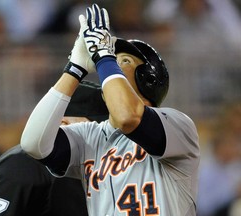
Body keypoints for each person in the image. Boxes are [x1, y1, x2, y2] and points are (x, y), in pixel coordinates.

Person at [21, 4, 200, 216]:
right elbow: (33, 143)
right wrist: (75, 68)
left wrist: (104, 56)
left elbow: (128, 117)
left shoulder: (178, 125)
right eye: (112, 59)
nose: (110, 65)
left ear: (148, 78)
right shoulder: (91, 135)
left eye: (123, 60)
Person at [0, 80, 108, 216]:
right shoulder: (26, 163)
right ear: (63, 123)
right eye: (95, 126)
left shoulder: (106, 167)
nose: (103, 133)